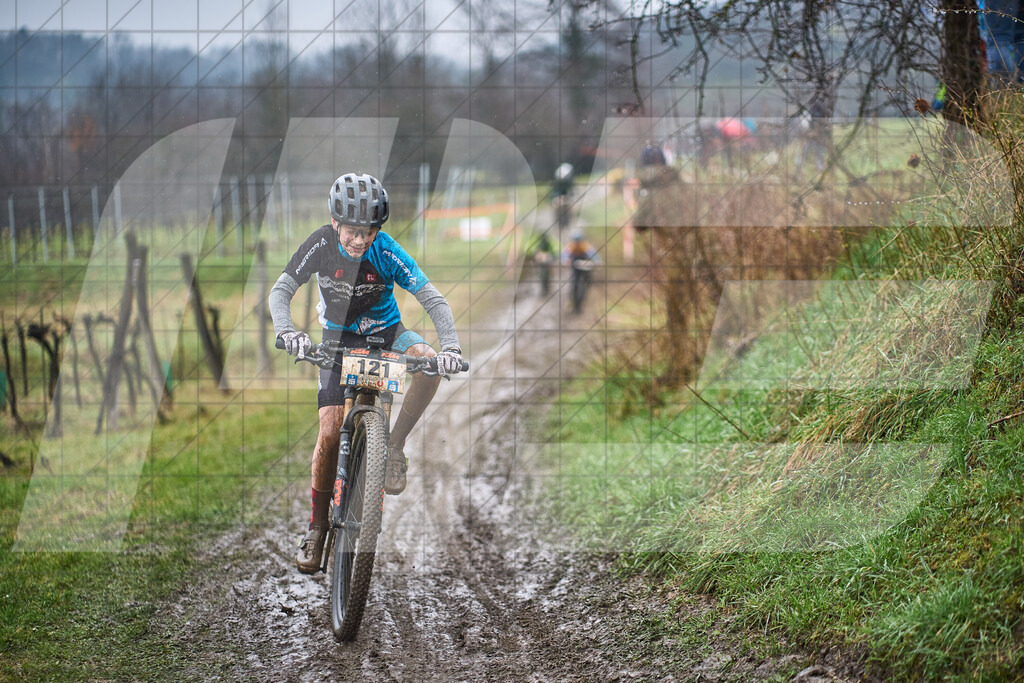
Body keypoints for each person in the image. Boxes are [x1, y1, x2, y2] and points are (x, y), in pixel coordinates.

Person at [268, 172, 465, 574]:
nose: (360, 240)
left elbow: (432, 298)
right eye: (353, 231)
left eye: (369, 232)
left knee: (427, 363)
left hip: (387, 334)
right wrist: (287, 331)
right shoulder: (321, 244)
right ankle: (318, 526)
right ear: (335, 223)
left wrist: (451, 348)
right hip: (336, 338)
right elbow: (281, 290)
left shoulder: (387, 251)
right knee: (329, 430)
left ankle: (393, 446)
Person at [561, 230, 602, 314]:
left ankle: (581, 301)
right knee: (574, 285)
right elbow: (564, 254)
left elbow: (593, 254)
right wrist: (566, 260)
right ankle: (573, 302)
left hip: (585, 267)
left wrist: (597, 261)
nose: (577, 243)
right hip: (575, 266)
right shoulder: (571, 246)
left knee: (587, 283)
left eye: (579, 241)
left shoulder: (585, 246)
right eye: (576, 241)